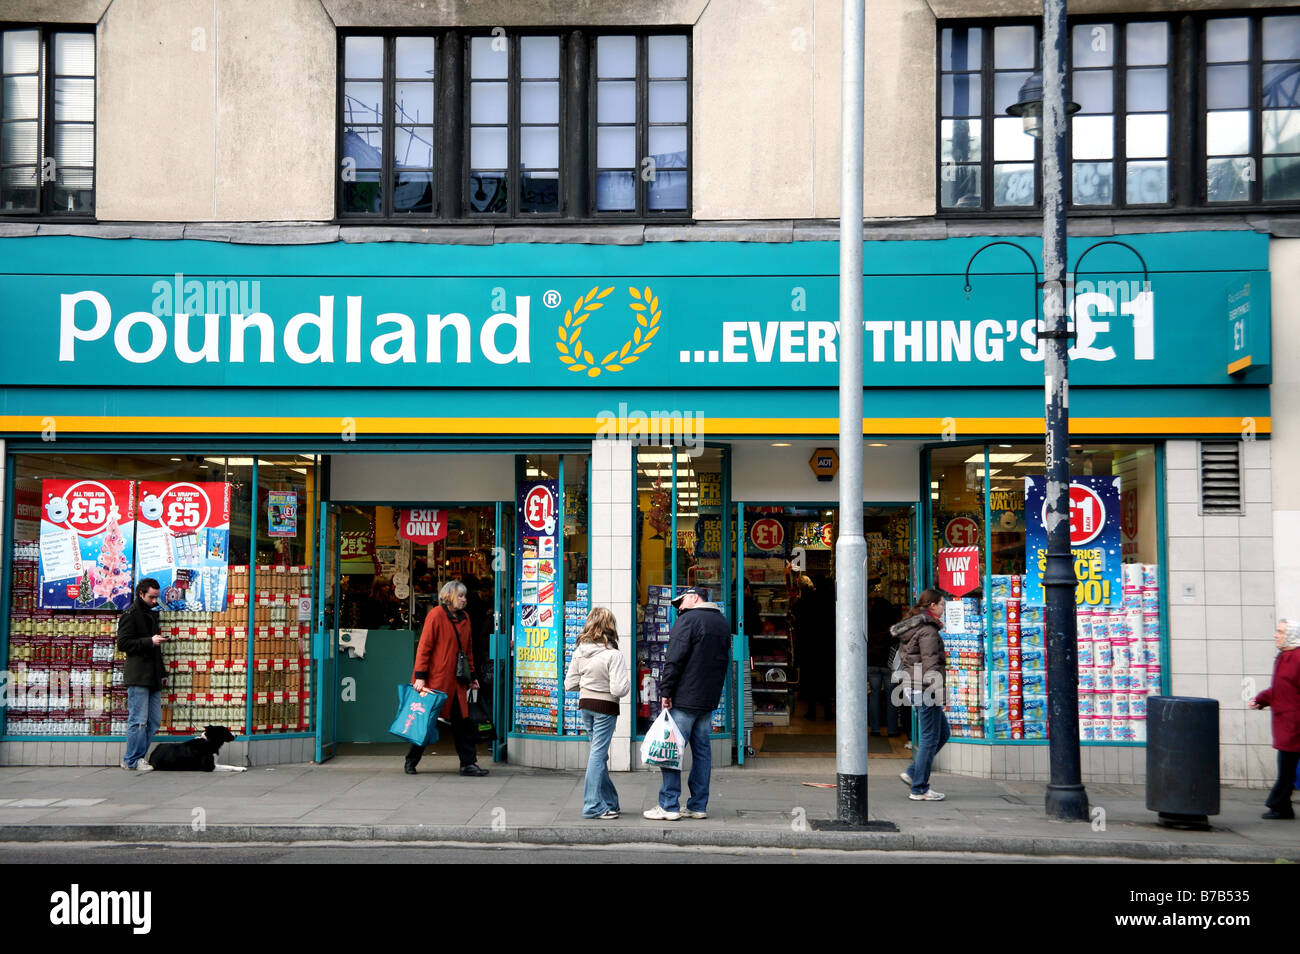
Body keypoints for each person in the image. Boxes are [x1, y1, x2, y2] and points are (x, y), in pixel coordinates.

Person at [644, 586, 730, 821]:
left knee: (671, 750)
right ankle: (697, 806)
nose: (679, 608)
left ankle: (669, 805)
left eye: (681, 602)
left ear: (694, 598)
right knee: (702, 753)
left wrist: (666, 691)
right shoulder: (722, 622)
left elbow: (674, 659)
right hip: (707, 699)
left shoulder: (689, 620)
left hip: (684, 697)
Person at [405, 580, 489, 777]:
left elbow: (467, 650)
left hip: (457, 681)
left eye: (464, 596)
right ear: (449, 596)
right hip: (437, 681)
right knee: (426, 722)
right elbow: (424, 647)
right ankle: (411, 760)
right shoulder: (436, 615)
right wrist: (420, 677)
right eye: (460, 596)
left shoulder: (465, 618)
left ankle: (468, 763)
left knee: (463, 724)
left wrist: (472, 676)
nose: (464, 600)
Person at [564, 607, 631, 819]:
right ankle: (592, 805)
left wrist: (588, 687)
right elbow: (619, 689)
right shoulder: (613, 655)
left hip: (585, 705)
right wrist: (627, 683)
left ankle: (611, 802)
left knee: (598, 754)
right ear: (610, 627)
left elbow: (569, 684)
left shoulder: (579, 651)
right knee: (597, 755)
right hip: (605, 708)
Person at [892, 588, 949, 801]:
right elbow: (931, 663)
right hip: (925, 688)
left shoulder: (913, 625)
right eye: (942, 604)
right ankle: (919, 788)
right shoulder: (928, 630)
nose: (944, 608)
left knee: (942, 733)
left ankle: (913, 773)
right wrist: (942, 695)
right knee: (930, 737)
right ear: (932, 606)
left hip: (914, 685)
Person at [1249, 618, 1300, 820]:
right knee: (1287, 769)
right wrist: (1261, 700)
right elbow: (1279, 689)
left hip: (1293, 724)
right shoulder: (1284, 657)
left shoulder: (1296, 658)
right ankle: (1282, 806)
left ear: (1291, 635)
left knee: (1286, 769)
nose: (1275, 635)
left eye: (1280, 631)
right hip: (1286, 722)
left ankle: (1278, 805)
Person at [117, 578, 165, 772]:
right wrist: (149, 641)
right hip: (138, 675)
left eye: (156, 597)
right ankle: (132, 760)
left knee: (153, 720)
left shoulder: (150, 614)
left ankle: (138, 758)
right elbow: (123, 644)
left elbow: (155, 648)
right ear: (141, 594)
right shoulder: (130, 614)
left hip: (152, 675)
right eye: (152, 597)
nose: (155, 601)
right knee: (138, 720)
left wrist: (162, 673)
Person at [866, 579, 902, 737]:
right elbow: (897, 644)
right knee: (891, 696)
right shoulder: (892, 627)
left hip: (872, 663)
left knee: (874, 694)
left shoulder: (869, 624)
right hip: (888, 664)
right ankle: (892, 729)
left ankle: (875, 728)